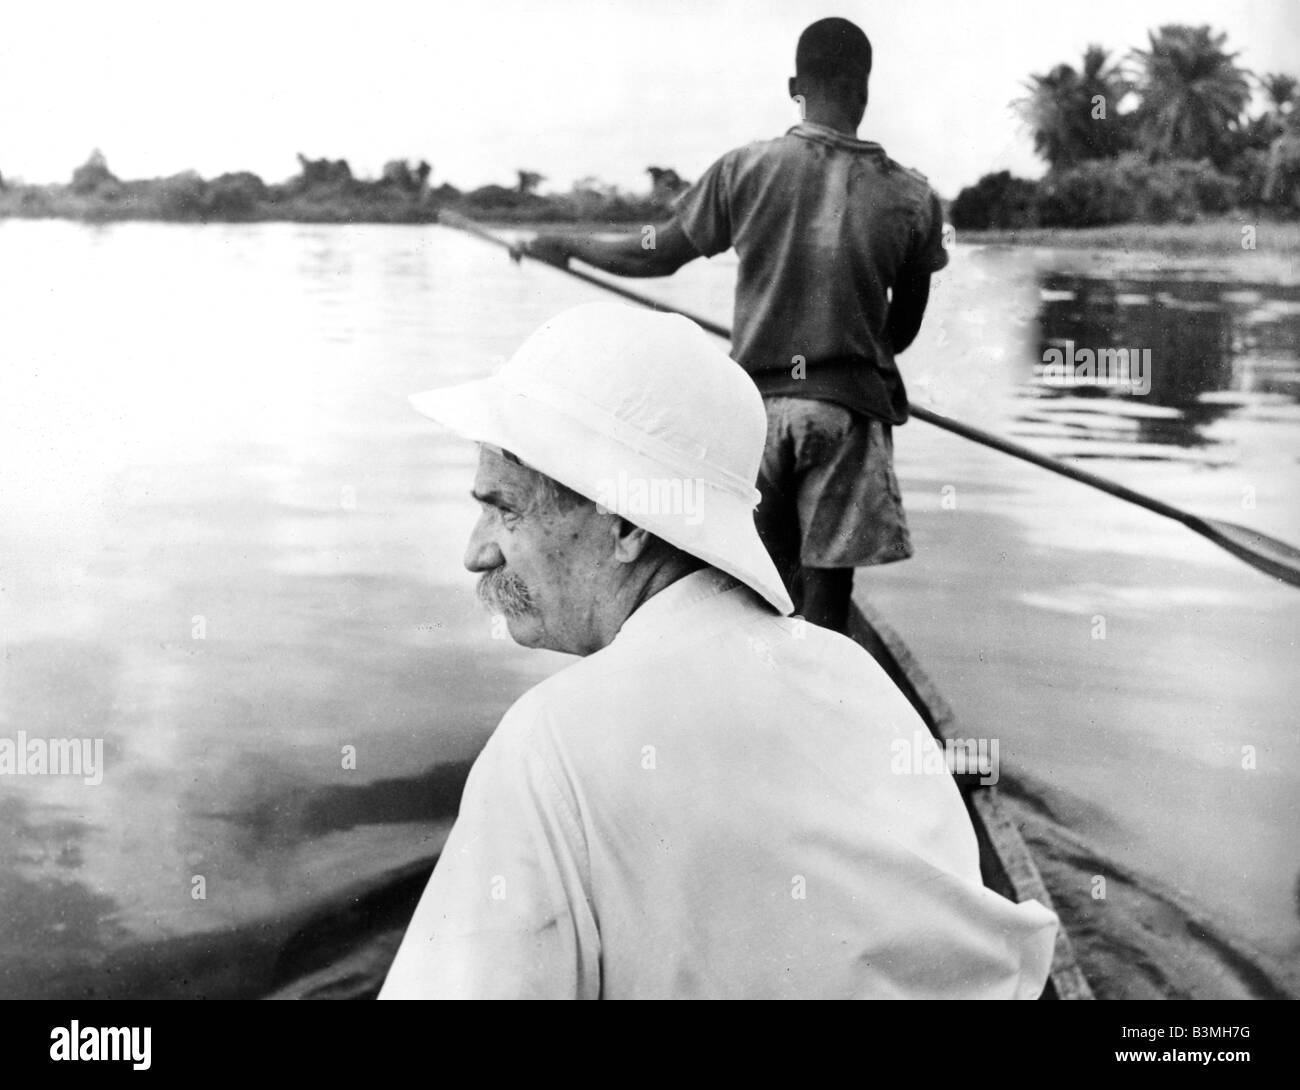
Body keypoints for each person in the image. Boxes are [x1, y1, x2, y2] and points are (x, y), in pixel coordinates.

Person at [378, 301, 1056, 1000]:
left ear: (626, 527)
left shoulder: (549, 742)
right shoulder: (856, 675)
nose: (475, 552)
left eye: (505, 508)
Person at [522, 18, 948, 635]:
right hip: (844, 412)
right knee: (826, 610)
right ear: (864, 90)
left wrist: (569, 245)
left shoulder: (745, 169)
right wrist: (845, 338)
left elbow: (655, 252)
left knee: (755, 586)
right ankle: (820, 700)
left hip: (754, 418)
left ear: (795, 87)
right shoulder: (913, 197)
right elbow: (900, 331)